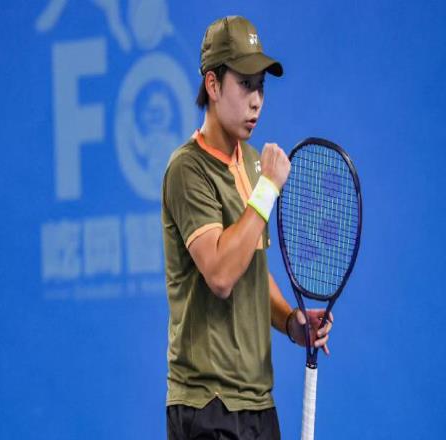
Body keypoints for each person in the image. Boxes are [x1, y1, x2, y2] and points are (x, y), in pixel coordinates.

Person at [162, 15, 333, 439]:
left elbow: (251, 270)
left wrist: (291, 322)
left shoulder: (255, 164)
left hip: (258, 403)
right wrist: (269, 188)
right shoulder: (187, 169)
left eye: (261, 86)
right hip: (206, 405)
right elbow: (221, 274)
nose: (257, 101)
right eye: (244, 84)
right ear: (213, 84)